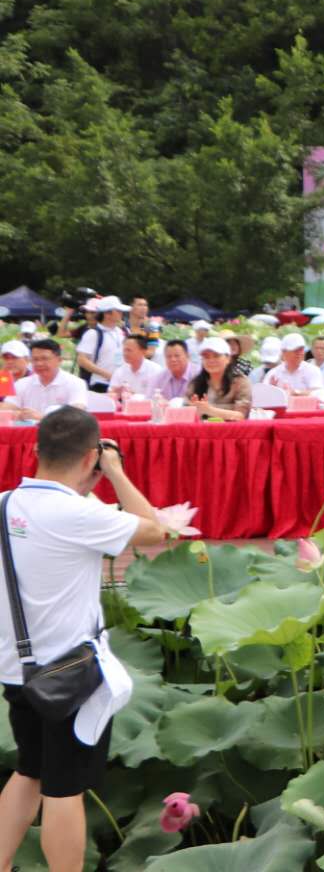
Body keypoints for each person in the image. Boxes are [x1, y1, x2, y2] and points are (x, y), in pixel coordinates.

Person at [0, 409, 168, 872]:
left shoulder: (3, 504)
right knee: (63, 787)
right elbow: (153, 529)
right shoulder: (81, 514)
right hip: (71, 675)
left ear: (35, 450)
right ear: (92, 455)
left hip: (17, 670)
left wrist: (88, 482)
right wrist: (114, 471)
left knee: (29, 770)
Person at [10, 342, 89, 420]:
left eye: (44, 359)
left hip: (62, 431)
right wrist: (18, 414)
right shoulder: (22, 383)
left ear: (59, 360)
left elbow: (77, 413)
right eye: (35, 359)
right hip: (28, 431)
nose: (39, 363)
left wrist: (42, 418)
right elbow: (7, 407)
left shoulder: (76, 383)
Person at [73, 297, 128, 394]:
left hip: (121, 385)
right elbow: (82, 360)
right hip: (100, 384)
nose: (121, 313)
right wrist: (108, 375)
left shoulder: (123, 332)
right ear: (107, 314)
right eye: (118, 311)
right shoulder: (93, 333)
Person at [188, 337, 253, 420]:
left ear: (228, 358)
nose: (211, 360)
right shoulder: (195, 383)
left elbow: (240, 415)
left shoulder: (241, 382)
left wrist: (209, 410)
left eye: (216, 356)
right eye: (206, 357)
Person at [260, 334, 324, 397]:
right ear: (284, 352)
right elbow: (263, 396)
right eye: (295, 350)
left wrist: (297, 393)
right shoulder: (274, 373)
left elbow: (321, 394)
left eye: (301, 349)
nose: (299, 353)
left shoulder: (312, 370)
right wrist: (273, 391)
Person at [105, 335, 164, 402]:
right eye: (124, 350)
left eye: (129, 350)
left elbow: (160, 397)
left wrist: (134, 395)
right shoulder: (120, 371)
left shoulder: (156, 370)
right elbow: (110, 393)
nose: (125, 353)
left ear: (143, 351)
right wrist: (115, 393)